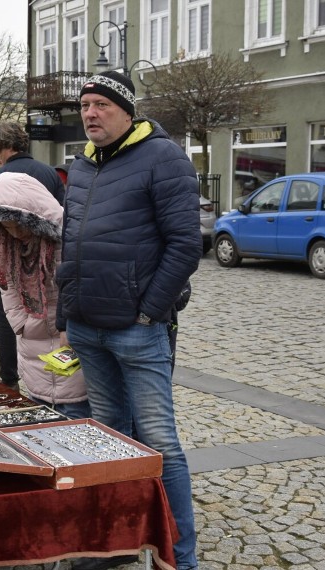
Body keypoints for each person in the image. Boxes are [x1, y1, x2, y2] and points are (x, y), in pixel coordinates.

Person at [56, 71, 202, 570]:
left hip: (136, 329)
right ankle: (113, 545)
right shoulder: (82, 164)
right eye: (84, 105)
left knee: (161, 444)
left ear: (126, 109)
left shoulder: (163, 157)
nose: (90, 113)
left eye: (100, 104)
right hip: (86, 325)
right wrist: (64, 310)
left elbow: (186, 244)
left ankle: (180, 558)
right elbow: (69, 241)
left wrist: (148, 312)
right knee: (106, 439)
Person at [0, 172, 89, 419]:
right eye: (7, 226)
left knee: (78, 418)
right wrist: (21, 323)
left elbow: (80, 287)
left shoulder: (70, 239)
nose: (15, 233)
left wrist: (68, 326)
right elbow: (7, 286)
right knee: (41, 420)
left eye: (19, 224)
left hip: (70, 341)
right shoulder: (4, 244)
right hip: (32, 342)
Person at [0, 121, 65, 389]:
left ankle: (10, 379)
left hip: (14, 261)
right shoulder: (50, 172)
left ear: (7, 147)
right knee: (49, 315)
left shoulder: (2, 175)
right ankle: (53, 371)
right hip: (48, 258)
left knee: (11, 319)